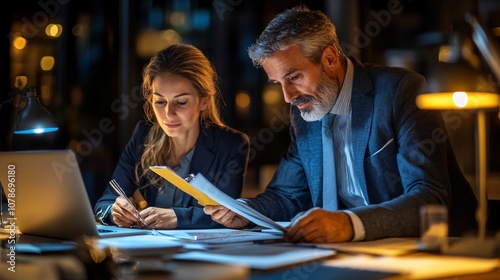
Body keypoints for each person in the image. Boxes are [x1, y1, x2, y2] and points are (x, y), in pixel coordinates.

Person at [204, 6, 478, 243]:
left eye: (295, 77)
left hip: (434, 250)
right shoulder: (305, 113)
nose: (288, 97)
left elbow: (429, 198)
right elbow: (288, 196)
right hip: (346, 252)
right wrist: (244, 211)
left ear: (330, 59)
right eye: (278, 84)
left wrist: (348, 224)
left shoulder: (399, 92)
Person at [94, 44, 250, 229]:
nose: (168, 113)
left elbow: (229, 215)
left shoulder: (231, 145)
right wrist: (114, 212)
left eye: (181, 102)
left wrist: (177, 217)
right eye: (160, 101)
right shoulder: (142, 136)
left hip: (202, 254)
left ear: (204, 102)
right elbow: (104, 203)